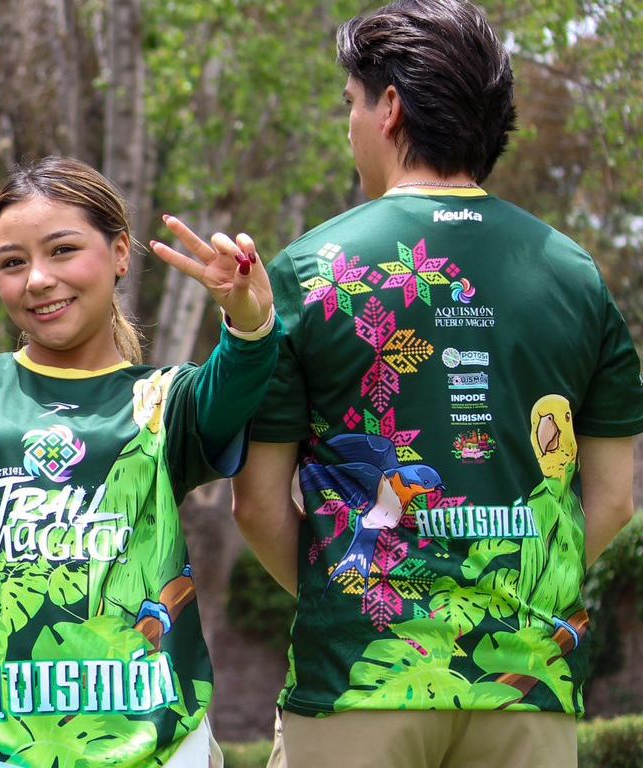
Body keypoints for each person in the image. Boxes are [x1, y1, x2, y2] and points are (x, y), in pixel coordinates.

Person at [230, 2, 643, 766]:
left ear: (389, 107)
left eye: (350, 104)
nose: (349, 125)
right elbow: (614, 501)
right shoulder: (574, 276)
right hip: (527, 682)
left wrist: (351, 594)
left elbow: (256, 504)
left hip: (360, 679)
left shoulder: (310, 272)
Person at [0, 156, 280, 767]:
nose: (37, 279)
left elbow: (236, 383)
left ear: (119, 254)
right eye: (12, 262)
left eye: (62, 250)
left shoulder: (166, 399)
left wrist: (249, 322)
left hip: (152, 742)